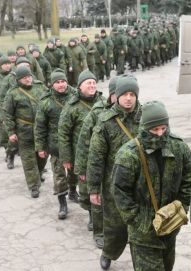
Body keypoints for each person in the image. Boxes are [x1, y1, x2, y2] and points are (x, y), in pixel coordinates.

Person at [111, 100, 191, 271]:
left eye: (163, 128)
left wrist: (181, 207)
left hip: (170, 225)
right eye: (154, 129)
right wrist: (138, 221)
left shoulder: (179, 148)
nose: (159, 133)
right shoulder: (128, 155)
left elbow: (189, 178)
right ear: (144, 127)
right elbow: (119, 192)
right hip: (143, 232)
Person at [87, 76, 141, 260]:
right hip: (114, 185)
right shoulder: (105, 121)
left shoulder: (146, 117)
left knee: (140, 227)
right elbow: (96, 158)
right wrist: (94, 189)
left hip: (141, 184)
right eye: (124, 94)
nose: (128, 98)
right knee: (114, 226)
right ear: (116, 96)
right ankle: (108, 253)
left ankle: (140, 261)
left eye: (132, 94)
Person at [74, 76, 118, 248]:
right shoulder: (98, 112)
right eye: (117, 94)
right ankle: (99, 233)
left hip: (122, 167)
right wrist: (82, 169)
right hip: (101, 165)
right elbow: (84, 142)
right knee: (98, 201)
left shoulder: (135, 112)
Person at [58, 70, 105, 219]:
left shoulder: (104, 102)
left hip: (102, 152)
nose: (92, 85)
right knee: (86, 187)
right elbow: (63, 133)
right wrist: (66, 158)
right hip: (81, 154)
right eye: (88, 83)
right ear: (79, 87)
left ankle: (101, 216)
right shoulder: (72, 106)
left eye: (93, 82)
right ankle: (92, 216)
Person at [35, 70, 76, 219]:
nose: (61, 85)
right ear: (52, 84)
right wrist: (40, 147)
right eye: (57, 82)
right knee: (59, 175)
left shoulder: (75, 96)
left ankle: (73, 191)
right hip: (55, 146)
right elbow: (39, 126)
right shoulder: (46, 101)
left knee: (74, 172)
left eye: (63, 81)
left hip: (74, 144)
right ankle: (62, 203)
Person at [3, 66, 48, 198]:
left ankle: (38, 174)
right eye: (24, 78)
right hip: (24, 131)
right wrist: (11, 132)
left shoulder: (40, 87)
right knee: (28, 159)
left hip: (41, 129)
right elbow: (7, 113)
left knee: (43, 155)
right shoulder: (13, 93)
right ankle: (34, 185)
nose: (28, 79)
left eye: (29, 76)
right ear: (18, 80)